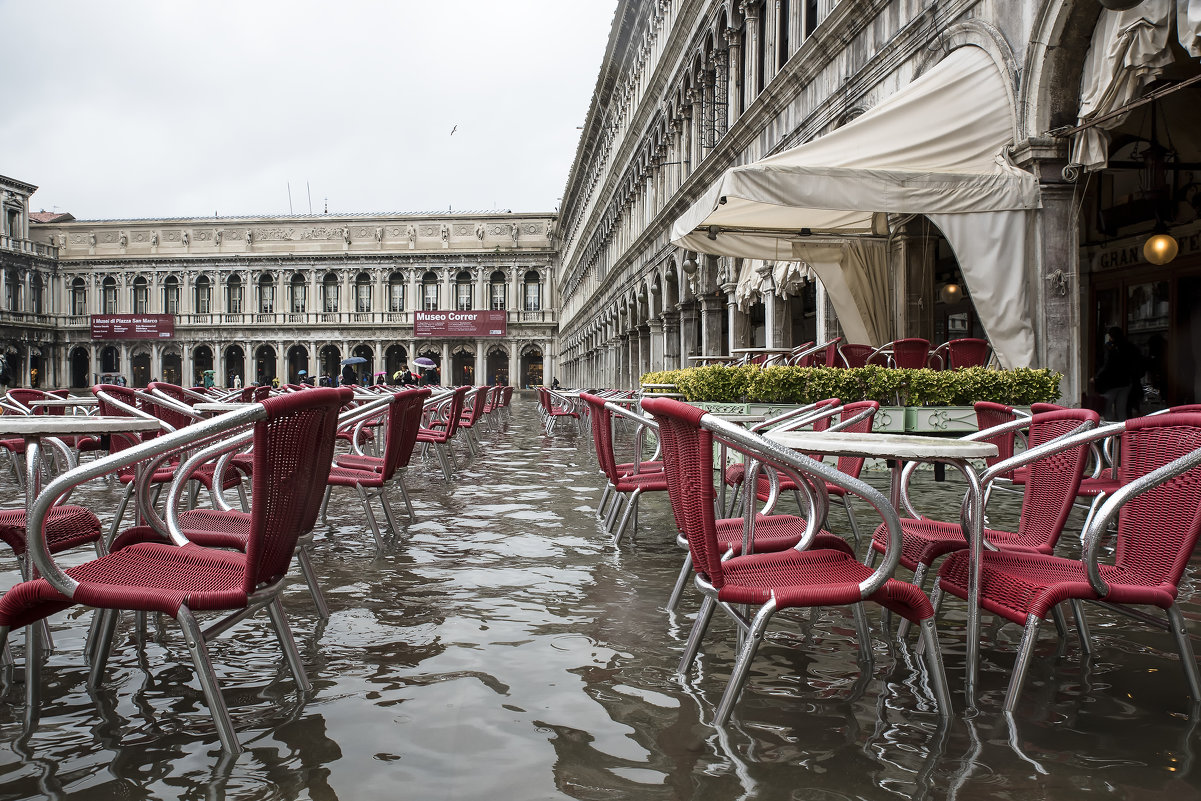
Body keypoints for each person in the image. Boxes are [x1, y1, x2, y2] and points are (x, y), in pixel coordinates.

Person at [1094, 326, 1143, 421]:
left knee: (1107, 409)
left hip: (1112, 382)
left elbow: (1107, 365)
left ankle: (1109, 432)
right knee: (1121, 410)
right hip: (1126, 382)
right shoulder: (1129, 347)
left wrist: (1097, 377)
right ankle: (1123, 432)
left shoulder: (1110, 347)